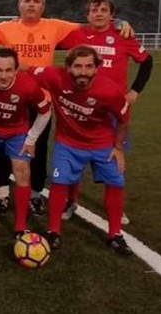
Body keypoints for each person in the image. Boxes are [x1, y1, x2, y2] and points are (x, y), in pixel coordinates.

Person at [0, 0, 132, 216]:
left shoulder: (54, 26)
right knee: (4, 145)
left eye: (36, 1)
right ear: (19, 4)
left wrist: (118, 22)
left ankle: (35, 194)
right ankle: (2, 194)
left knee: (38, 148)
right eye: (27, 0)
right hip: (10, 98)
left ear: (43, 6)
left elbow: (91, 25)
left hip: (42, 100)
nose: (31, 4)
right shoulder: (4, 28)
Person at [58, 0, 153, 222]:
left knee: (114, 157)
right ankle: (71, 201)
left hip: (112, 110)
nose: (98, 14)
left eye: (103, 10)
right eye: (94, 10)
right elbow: (52, 41)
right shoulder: (78, 35)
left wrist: (135, 91)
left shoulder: (123, 34)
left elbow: (147, 61)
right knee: (74, 159)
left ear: (112, 15)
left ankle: (116, 207)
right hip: (81, 108)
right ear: (87, 15)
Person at [29, 45, 132, 255]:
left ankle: (115, 234)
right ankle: (54, 231)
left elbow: (123, 119)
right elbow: (26, 69)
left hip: (102, 144)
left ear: (96, 68)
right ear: (68, 67)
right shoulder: (54, 76)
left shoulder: (110, 90)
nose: (83, 71)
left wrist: (118, 148)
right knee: (59, 182)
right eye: (77, 66)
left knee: (116, 182)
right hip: (67, 143)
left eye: (88, 66)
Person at [0, 48, 51, 240]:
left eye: (8, 70)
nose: (3, 75)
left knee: (22, 172)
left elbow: (45, 112)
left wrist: (31, 139)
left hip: (17, 132)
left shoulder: (29, 86)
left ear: (16, 70)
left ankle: (20, 226)